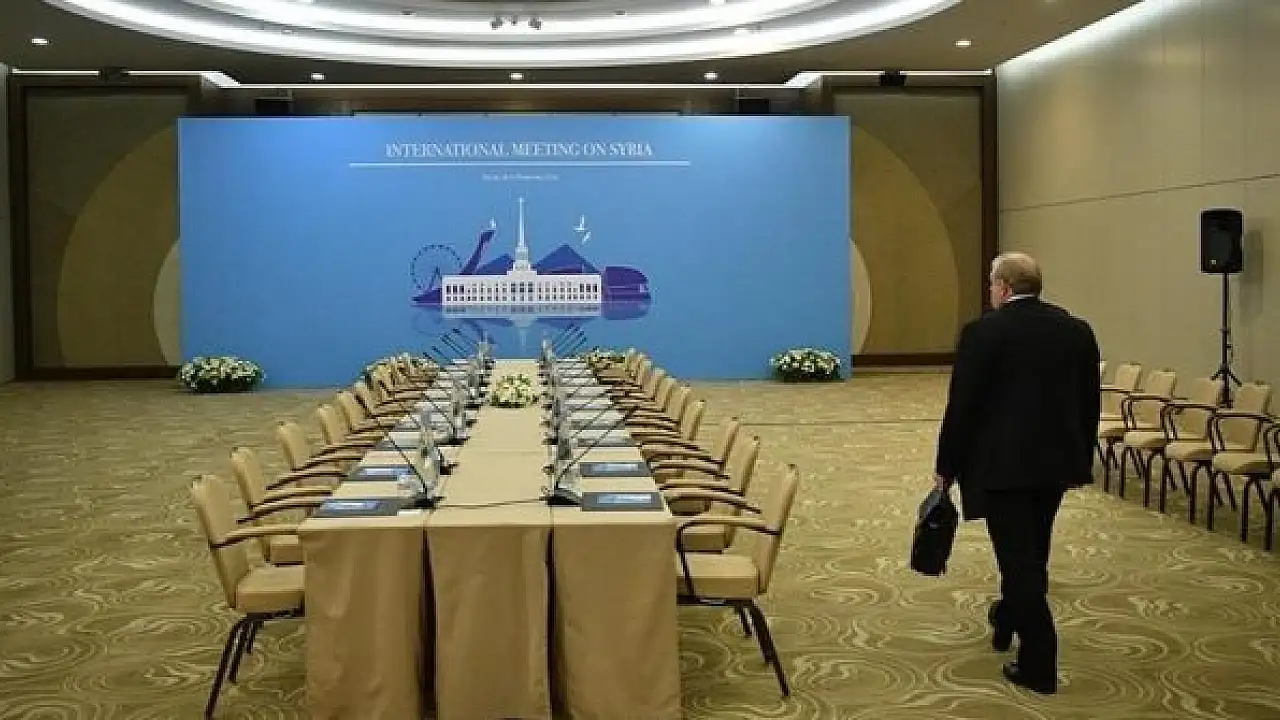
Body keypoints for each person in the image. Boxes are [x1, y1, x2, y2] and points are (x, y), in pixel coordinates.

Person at [933, 251, 1101, 695]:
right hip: (1056, 464)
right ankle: (1008, 616)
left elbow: (963, 406)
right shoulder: (1077, 331)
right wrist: (1081, 460)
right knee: (1033, 550)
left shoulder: (983, 333)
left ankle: (1039, 660)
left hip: (1002, 465)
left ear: (1003, 287)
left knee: (1017, 559)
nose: (990, 290)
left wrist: (946, 467)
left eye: (992, 283)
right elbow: (1089, 402)